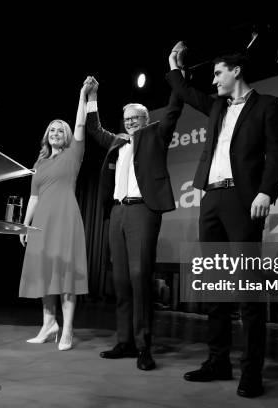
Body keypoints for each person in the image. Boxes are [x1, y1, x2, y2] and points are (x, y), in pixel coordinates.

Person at [166, 42, 278, 398]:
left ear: (236, 70)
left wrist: (266, 191)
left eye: (218, 73)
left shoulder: (267, 105)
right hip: (212, 199)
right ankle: (218, 361)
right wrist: (174, 66)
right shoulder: (217, 105)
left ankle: (252, 372)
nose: (214, 80)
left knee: (248, 291)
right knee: (215, 287)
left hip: (243, 199)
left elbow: (277, 153)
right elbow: (185, 91)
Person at [85, 75, 183, 370]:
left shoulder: (155, 134)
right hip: (117, 213)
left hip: (143, 211)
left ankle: (144, 346)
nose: (129, 123)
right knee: (121, 281)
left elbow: (174, 110)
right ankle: (125, 341)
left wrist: (176, 74)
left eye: (135, 118)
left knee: (140, 278)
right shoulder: (117, 142)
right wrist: (92, 97)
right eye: (126, 119)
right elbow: (93, 128)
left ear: (145, 118)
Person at [18, 77, 94, 351]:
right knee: (45, 272)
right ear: (46, 135)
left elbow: (82, 124)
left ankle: (68, 330)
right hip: (41, 223)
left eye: (60, 130)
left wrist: (83, 96)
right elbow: (34, 196)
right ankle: (49, 325)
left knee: (64, 275)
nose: (56, 132)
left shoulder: (74, 154)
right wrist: (25, 226)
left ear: (67, 135)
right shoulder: (39, 162)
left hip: (65, 220)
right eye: (52, 130)